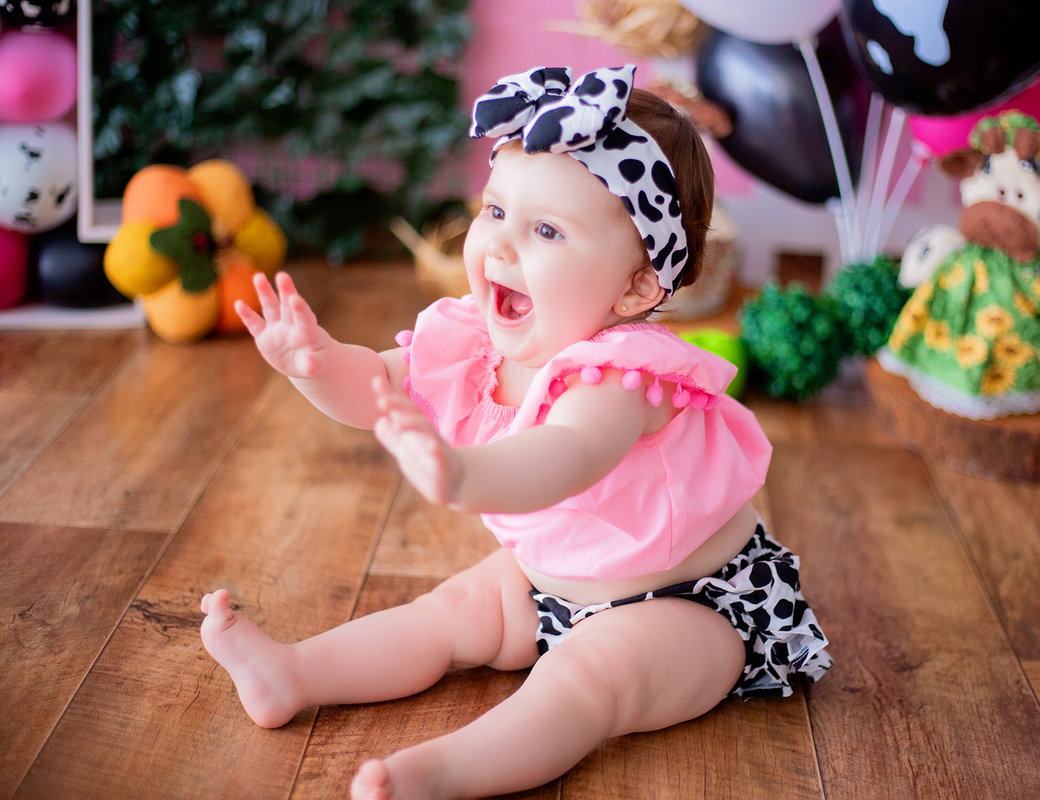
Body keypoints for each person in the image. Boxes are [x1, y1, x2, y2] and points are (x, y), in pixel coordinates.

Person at [199, 65, 830, 800]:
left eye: (546, 231)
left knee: (587, 679)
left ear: (636, 287)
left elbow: (564, 457)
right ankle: (292, 674)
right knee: (446, 614)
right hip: (548, 584)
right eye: (495, 211)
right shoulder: (474, 341)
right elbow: (372, 387)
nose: (500, 247)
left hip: (696, 603)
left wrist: (465, 473)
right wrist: (313, 366)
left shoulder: (622, 376)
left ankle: (441, 774)